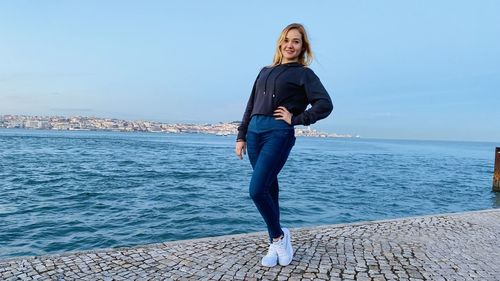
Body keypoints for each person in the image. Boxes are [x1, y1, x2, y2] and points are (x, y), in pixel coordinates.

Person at [234, 23, 333, 267]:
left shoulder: (304, 74)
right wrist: (241, 135)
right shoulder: (265, 70)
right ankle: (276, 241)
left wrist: (297, 119)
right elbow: (251, 104)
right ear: (280, 43)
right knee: (268, 188)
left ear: (302, 47)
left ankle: (279, 236)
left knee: (256, 190)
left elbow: (325, 104)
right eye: (287, 40)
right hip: (255, 133)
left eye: (296, 41)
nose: (290, 45)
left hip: (278, 133)